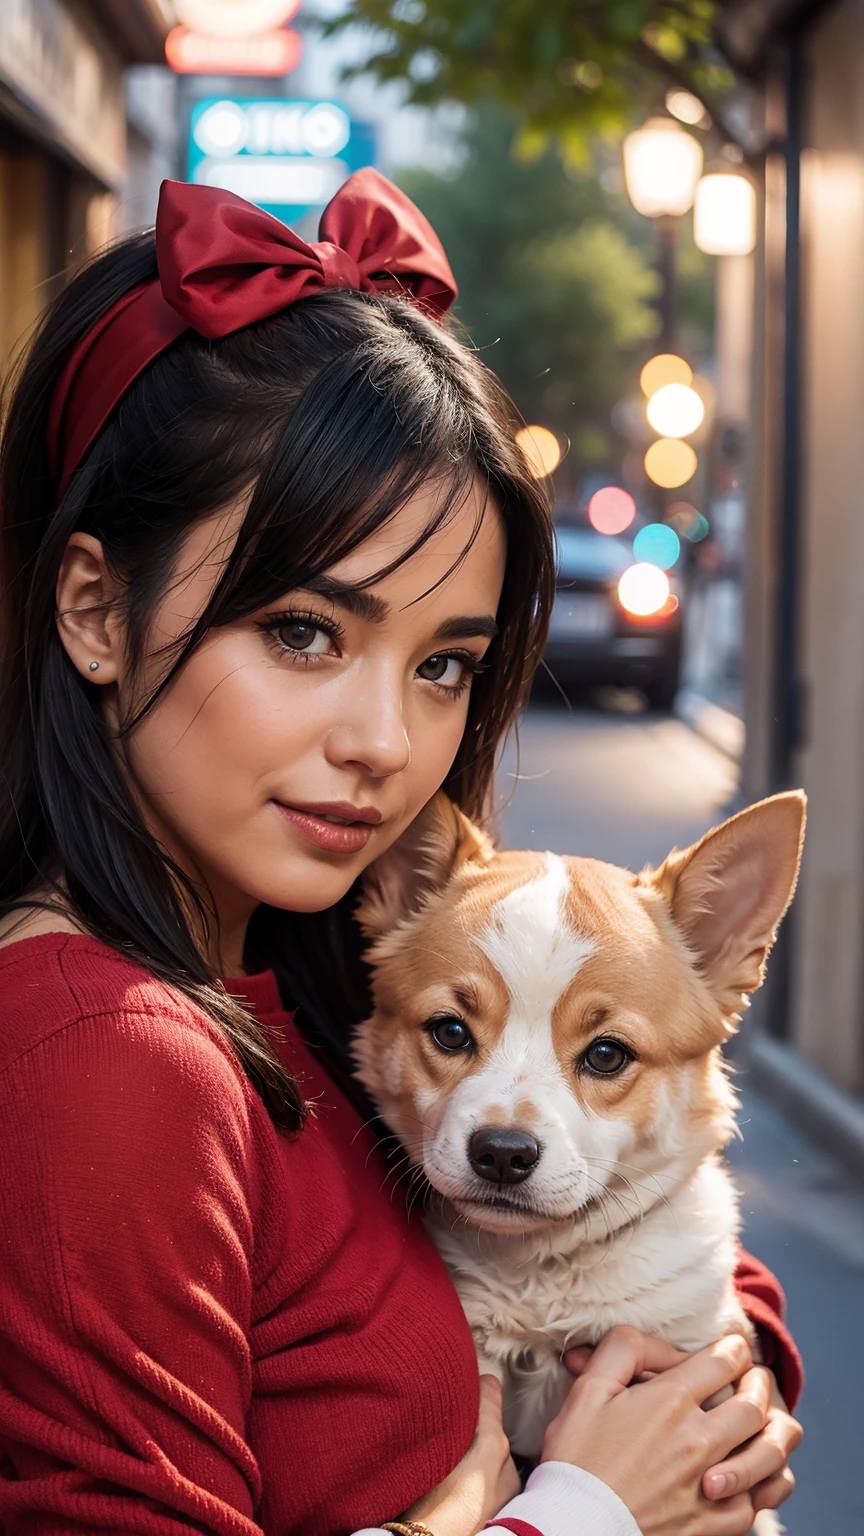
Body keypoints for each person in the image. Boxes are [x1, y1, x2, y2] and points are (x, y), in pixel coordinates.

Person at [0, 171, 801, 1536]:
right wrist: (584, 1515)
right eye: (304, 630)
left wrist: (726, 1378)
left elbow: (575, 1210)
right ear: (94, 609)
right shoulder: (108, 1053)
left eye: (444, 664)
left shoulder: (285, 957)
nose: (386, 740)